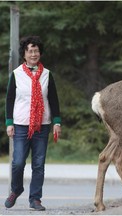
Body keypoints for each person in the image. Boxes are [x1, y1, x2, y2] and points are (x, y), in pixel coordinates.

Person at [5, 36, 61, 211]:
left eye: (36, 51)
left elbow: (53, 99)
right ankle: (16, 189)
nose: (34, 54)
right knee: (18, 162)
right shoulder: (16, 74)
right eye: (30, 51)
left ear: (40, 53)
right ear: (24, 54)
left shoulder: (47, 74)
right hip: (21, 124)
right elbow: (9, 100)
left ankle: (35, 199)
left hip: (42, 125)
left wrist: (57, 122)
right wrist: (9, 122)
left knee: (38, 164)